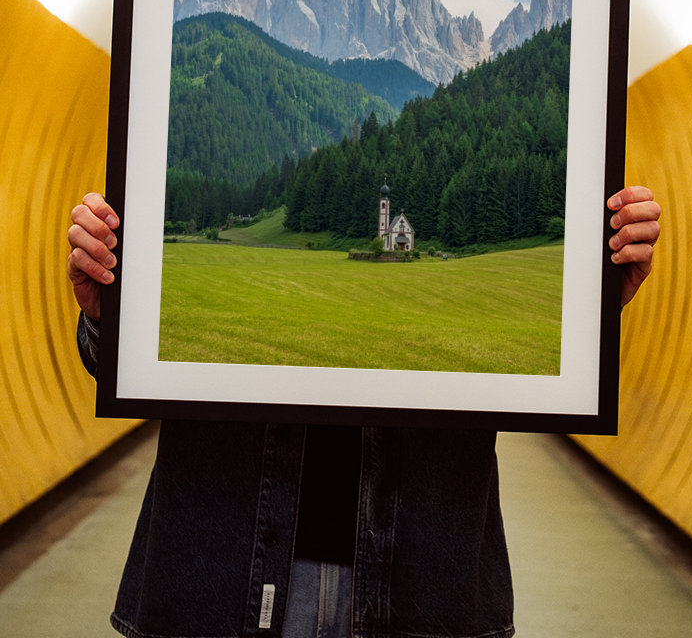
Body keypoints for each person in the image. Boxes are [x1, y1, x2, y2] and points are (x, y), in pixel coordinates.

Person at [68, 186, 661, 638]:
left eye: (393, 223)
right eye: (389, 222)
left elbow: (538, 365)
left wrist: (588, 309)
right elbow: (116, 365)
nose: (392, 227)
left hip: (422, 584)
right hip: (220, 574)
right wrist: (109, 316)